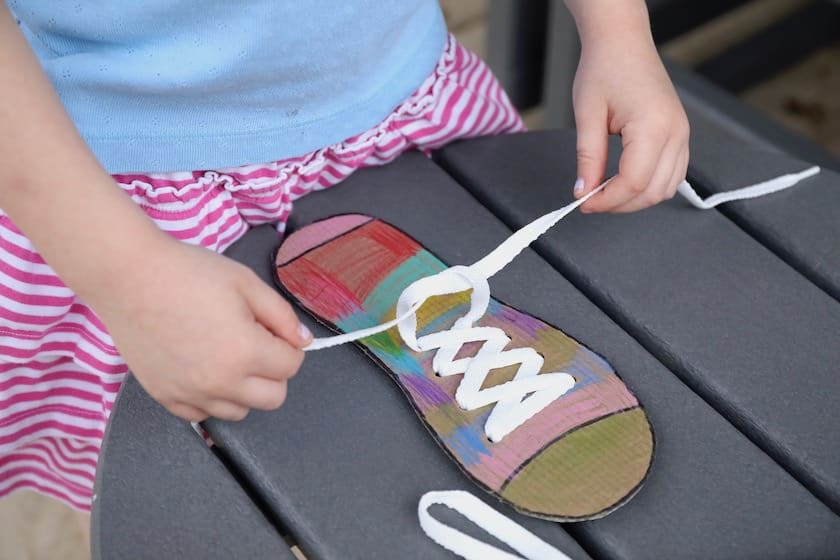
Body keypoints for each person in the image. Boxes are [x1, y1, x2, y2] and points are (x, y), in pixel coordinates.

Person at [0, 0, 688, 537]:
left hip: (418, 118)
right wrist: (128, 275)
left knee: (418, 459)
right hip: (118, 207)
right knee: (221, 480)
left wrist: (616, 31)